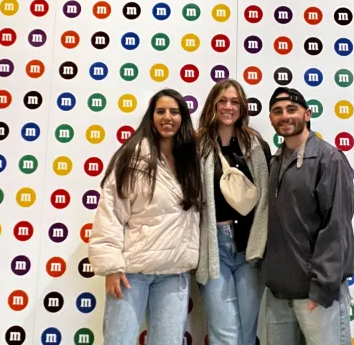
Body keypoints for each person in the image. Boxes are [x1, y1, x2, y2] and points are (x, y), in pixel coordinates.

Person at [87, 88, 204, 345]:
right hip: (131, 273)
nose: (167, 117)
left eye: (174, 112)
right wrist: (111, 268)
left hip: (174, 273)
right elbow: (110, 213)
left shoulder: (192, 161)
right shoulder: (132, 158)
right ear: (150, 116)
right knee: (119, 341)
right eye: (160, 111)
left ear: (183, 118)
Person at [263, 87, 354, 345]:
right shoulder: (274, 163)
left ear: (307, 114)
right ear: (271, 118)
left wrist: (323, 287)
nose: (285, 116)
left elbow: (337, 227)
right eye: (277, 111)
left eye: (291, 110)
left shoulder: (329, 159)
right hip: (279, 292)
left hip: (317, 293)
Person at [195, 79, 271, 345]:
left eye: (235, 102)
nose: (229, 107)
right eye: (223, 101)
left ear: (242, 107)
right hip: (214, 246)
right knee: (224, 333)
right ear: (212, 105)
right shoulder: (197, 147)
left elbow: (267, 201)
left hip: (249, 247)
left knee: (247, 331)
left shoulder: (257, 146)